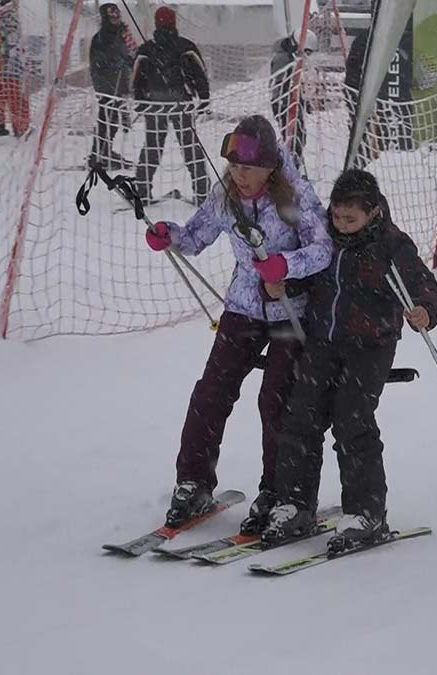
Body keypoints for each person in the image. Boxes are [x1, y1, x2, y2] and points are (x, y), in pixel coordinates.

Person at [142, 115, 332, 532]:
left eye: (248, 168)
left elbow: (323, 248)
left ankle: (280, 491)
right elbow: (194, 238)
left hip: (289, 310)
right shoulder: (225, 194)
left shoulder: (292, 195)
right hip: (243, 306)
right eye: (234, 167)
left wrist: (287, 265)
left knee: (275, 399)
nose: (239, 175)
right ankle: (194, 482)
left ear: (269, 166)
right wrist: (167, 235)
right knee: (211, 391)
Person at [262, 169, 437, 553]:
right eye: (337, 217)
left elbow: (422, 283)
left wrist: (424, 308)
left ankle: (365, 512)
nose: (341, 226)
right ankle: (294, 504)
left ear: (373, 213)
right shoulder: (326, 239)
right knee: (301, 418)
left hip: (370, 345)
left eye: (350, 219)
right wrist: (285, 283)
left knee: (352, 422)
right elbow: (306, 275)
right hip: (322, 340)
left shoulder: (391, 245)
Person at [132, 6, 211, 205]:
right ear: (174, 23)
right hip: (181, 103)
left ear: (156, 24)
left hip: (155, 105)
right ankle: (202, 192)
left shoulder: (146, 49)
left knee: (152, 147)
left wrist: (140, 101)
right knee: (191, 147)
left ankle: (142, 191)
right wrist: (203, 98)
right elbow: (200, 74)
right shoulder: (186, 46)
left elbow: (137, 78)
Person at [89, 3, 133, 170]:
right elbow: (99, 63)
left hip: (119, 86)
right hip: (107, 86)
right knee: (106, 121)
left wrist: (129, 61)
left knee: (113, 122)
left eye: (117, 14)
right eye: (111, 15)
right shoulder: (101, 38)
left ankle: (105, 151)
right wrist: (117, 64)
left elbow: (128, 54)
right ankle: (97, 154)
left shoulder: (121, 35)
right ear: (105, 18)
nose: (115, 18)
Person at [0, 0, 30, 137]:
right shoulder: (9, 18)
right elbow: (10, 42)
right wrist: (4, 59)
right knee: (15, 98)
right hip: (10, 66)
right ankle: (20, 128)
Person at [269, 30, 315, 166]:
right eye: (306, 52)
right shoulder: (283, 59)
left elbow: (295, 84)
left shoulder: (292, 58)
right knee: (293, 138)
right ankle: (291, 167)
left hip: (292, 102)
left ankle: (294, 165)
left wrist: (303, 102)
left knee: (299, 137)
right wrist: (287, 102)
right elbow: (281, 83)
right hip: (283, 105)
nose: (306, 56)